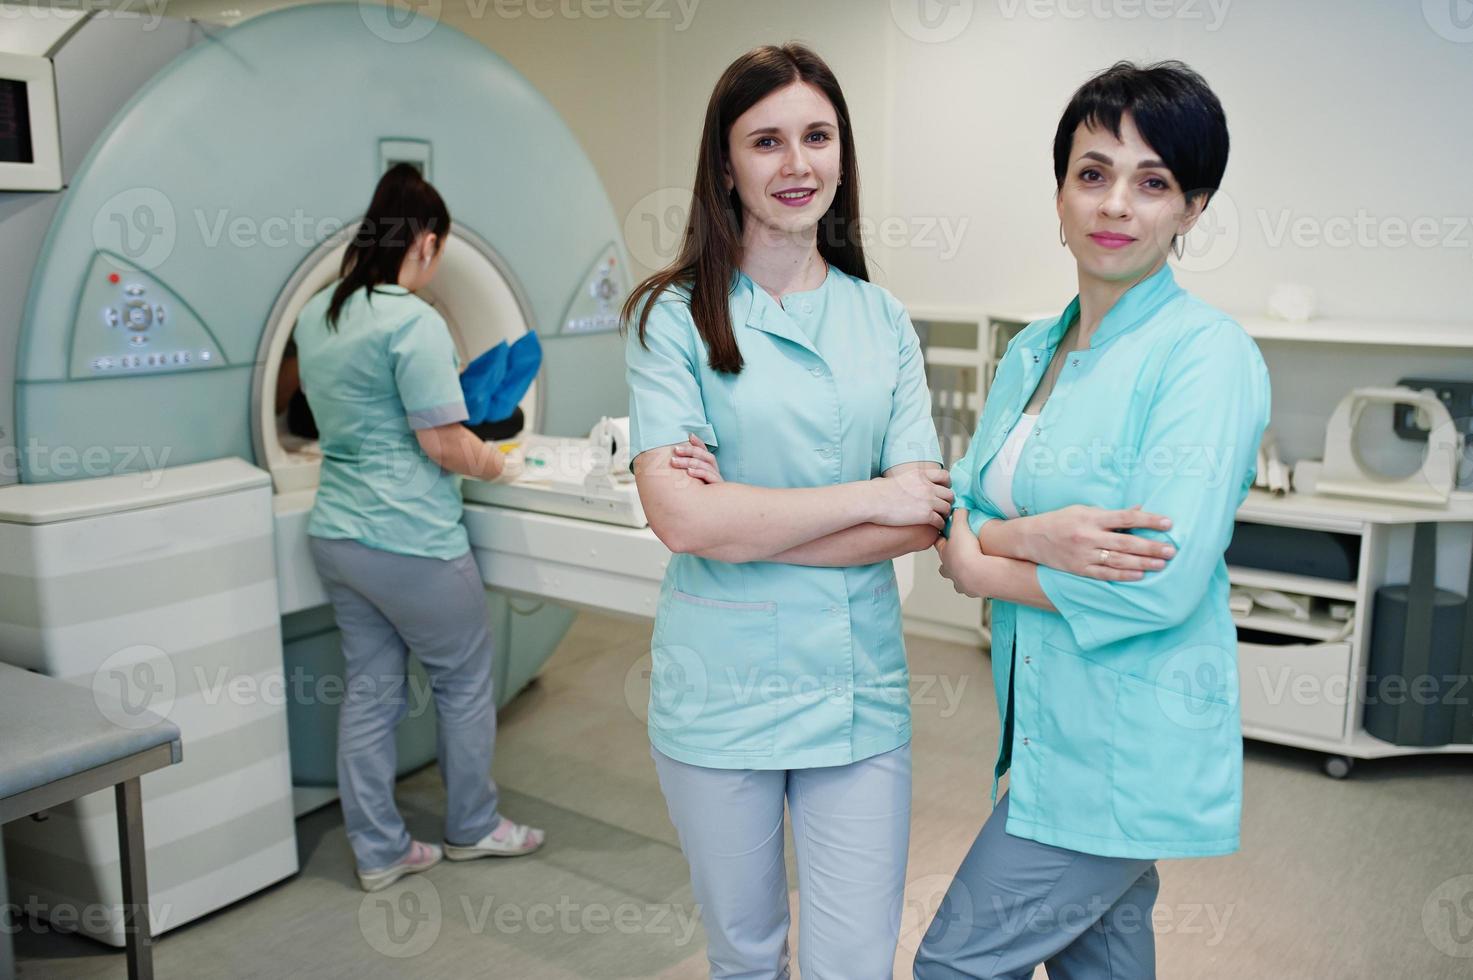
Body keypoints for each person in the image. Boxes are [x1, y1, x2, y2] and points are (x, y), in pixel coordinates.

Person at [912, 61, 1271, 978]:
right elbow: (965, 496)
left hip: (1118, 751)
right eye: (1092, 172)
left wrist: (983, 566)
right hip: (1044, 727)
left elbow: (1163, 578)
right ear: (1062, 192)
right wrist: (1029, 537)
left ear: (1191, 207)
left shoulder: (1204, 357)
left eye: (1152, 183)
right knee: (1098, 966)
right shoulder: (1035, 346)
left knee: (952, 966)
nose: (1116, 203)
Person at [622, 43, 952, 979]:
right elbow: (682, 523)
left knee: (853, 963)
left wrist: (744, 521)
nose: (796, 164)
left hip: (857, 690)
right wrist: (871, 495)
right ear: (725, 164)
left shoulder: (880, 318)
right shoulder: (672, 316)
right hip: (717, 688)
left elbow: (922, 520)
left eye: (817, 136)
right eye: (766, 141)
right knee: (747, 956)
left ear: (842, 156)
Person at [294, 163, 542, 893]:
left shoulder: (319, 314)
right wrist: (499, 465)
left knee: (370, 690)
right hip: (410, 540)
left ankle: (378, 850)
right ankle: (472, 828)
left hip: (337, 533)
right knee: (464, 681)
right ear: (427, 243)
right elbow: (442, 443)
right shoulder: (412, 321)